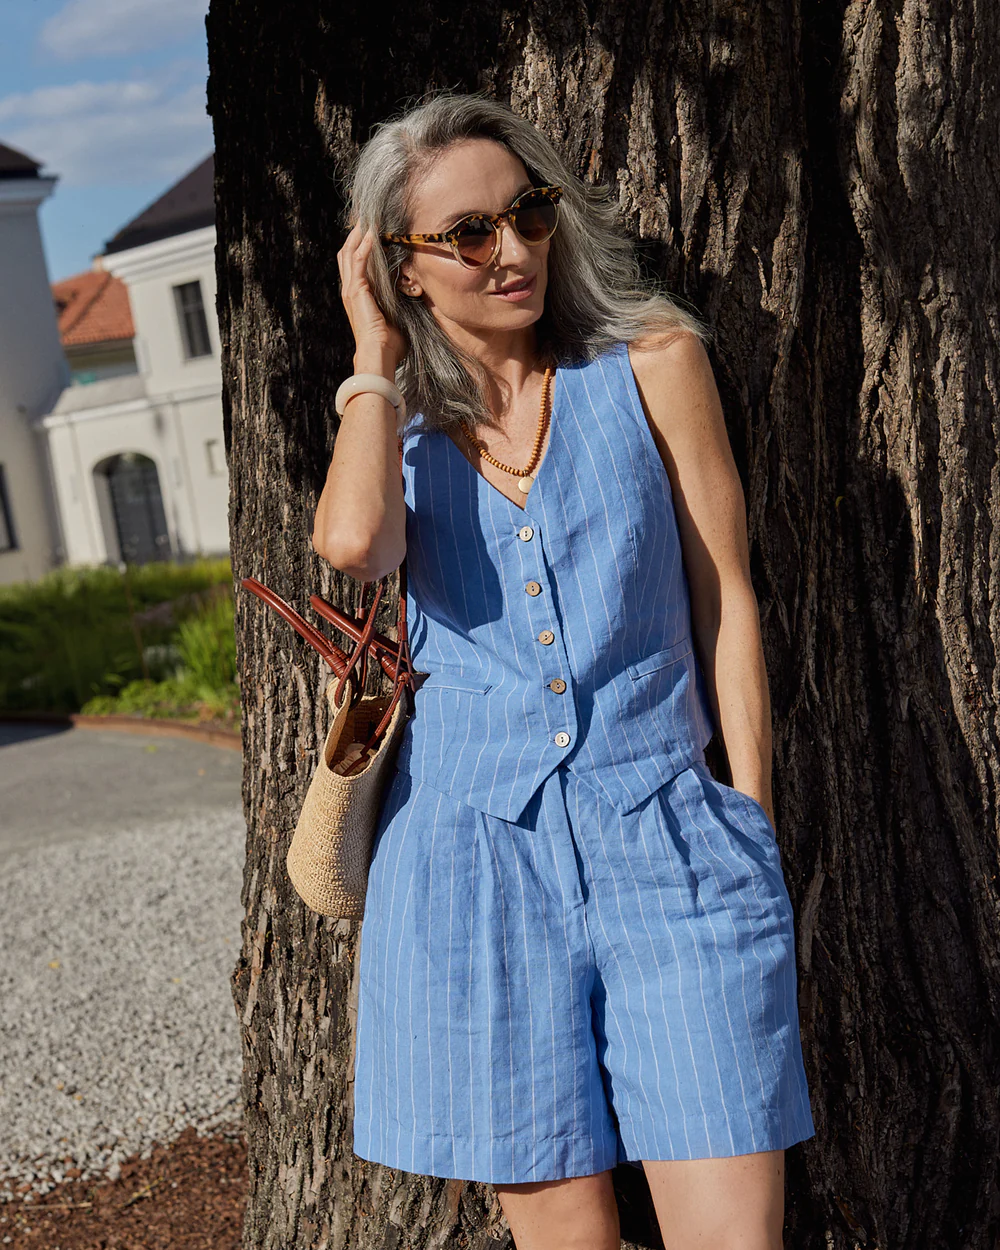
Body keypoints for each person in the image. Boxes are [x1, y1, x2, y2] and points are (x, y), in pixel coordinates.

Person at [313, 90, 815, 1250]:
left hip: (675, 845)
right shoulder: (397, 433)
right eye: (468, 235)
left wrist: (750, 818)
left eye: (526, 214)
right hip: (468, 867)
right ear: (401, 266)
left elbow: (726, 597)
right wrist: (369, 357)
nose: (511, 252)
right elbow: (351, 547)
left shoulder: (652, 362)